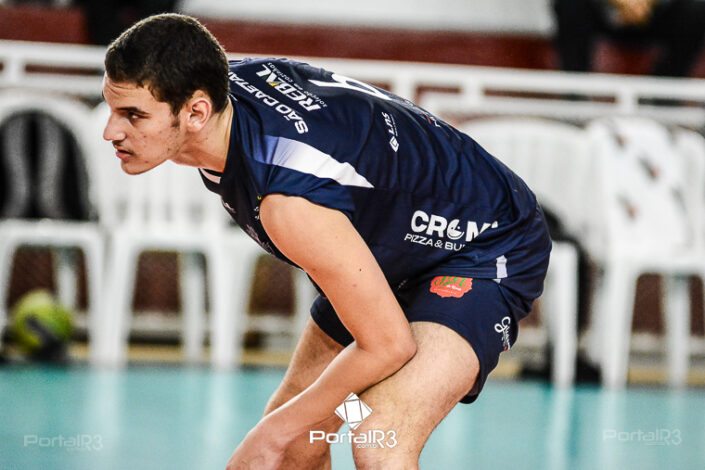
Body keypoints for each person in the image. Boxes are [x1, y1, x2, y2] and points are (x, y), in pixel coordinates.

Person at [101, 14, 551, 469]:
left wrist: (267, 435)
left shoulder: (288, 201)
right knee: (300, 439)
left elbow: (388, 346)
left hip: (483, 246)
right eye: (112, 108)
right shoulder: (213, 86)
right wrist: (284, 434)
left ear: (197, 113)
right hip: (389, 250)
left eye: (133, 115)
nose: (111, 132)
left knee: (377, 434)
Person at [553, 0, 705, 77]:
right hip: (605, 11)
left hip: (659, 13)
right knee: (569, 4)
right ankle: (574, 93)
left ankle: (665, 95)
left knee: (697, 8)